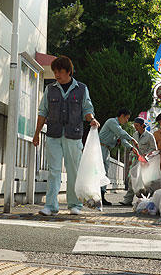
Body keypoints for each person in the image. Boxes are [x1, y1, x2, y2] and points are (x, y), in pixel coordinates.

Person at [33, 56, 99, 216]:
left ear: (69, 71)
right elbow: (43, 112)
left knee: (73, 171)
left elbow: (87, 108)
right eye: (55, 72)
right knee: (53, 171)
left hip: (73, 135)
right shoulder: (50, 89)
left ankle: (75, 205)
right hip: (53, 134)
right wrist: (36, 134)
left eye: (60, 72)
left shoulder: (81, 89)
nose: (57, 75)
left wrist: (91, 119)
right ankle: (50, 206)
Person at [99, 108, 140, 205]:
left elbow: (122, 139)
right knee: (99, 172)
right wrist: (132, 140)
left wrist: (131, 148)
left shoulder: (117, 126)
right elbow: (121, 133)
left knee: (104, 173)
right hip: (100, 148)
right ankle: (96, 195)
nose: (127, 121)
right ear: (121, 116)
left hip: (106, 150)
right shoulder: (112, 122)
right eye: (126, 118)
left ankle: (101, 195)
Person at [120, 117, 157, 206]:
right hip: (135, 160)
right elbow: (133, 148)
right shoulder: (135, 135)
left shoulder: (149, 136)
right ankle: (128, 199)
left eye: (137, 125)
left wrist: (146, 155)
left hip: (145, 161)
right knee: (131, 179)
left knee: (145, 181)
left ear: (142, 126)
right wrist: (130, 159)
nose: (135, 127)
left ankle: (146, 199)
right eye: (135, 125)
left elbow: (154, 149)